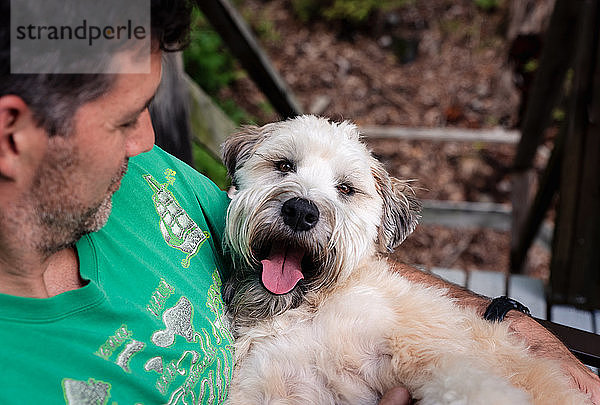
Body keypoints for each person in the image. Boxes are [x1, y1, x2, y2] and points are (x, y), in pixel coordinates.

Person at [0, 1, 597, 404]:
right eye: (126, 120)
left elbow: (363, 262)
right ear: (11, 134)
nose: (151, 142)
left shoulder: (147, 178)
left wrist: (508, 320)